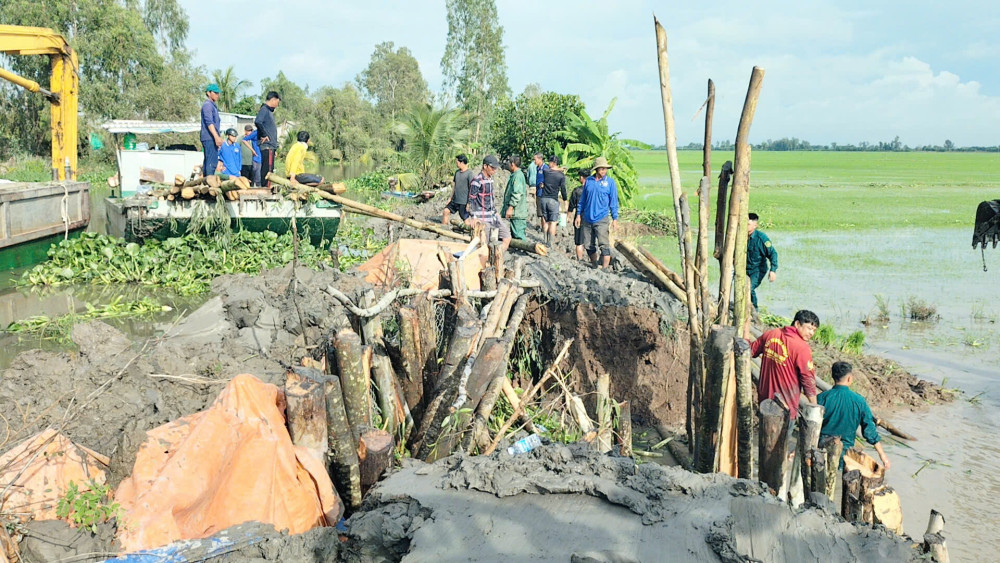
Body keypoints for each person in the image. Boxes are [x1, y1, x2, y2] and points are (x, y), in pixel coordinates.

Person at [818, 361, 890, 470]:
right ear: (849, 378)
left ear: (833, 377)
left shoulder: (821, 398)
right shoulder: (859, 401)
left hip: (820, 451)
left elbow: (810, 426)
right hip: (845, 454)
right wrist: (883, 456)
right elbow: (869, 431)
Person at [749, 309, 819, 420]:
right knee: (782, 437)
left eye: (814, 330)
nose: (811, 333)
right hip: (786, 406)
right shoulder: (802, 348)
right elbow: (808, 380)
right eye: (809, 328)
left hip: (764, 401)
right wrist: (814, 406)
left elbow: (751, 350)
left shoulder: (771, 334)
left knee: (764, 434)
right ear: (797, 324)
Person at [574, 156, 619, 268]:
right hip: (587, 218)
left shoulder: (610, 183)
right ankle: (594, 265)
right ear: (596, 169)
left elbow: (613, 202)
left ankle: (604, 269)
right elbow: (582, 200)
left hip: (602, 219)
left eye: (605, 168)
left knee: (604, 246)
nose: (604, 171)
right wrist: (578, 215)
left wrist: (615, 219)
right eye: (601, 168)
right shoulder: (589, 181)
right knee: (588, 245)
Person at [467, 155, 512, 250]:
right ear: (485, 166)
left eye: (495, 168)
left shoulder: (490, 180)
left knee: (507, 237)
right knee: (484, 244)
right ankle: (485, 262)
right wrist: (473, 217)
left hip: (492, 216)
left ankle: (496, 259)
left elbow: (490, 199)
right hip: (482, 218)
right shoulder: (477, 180)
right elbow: (471, 200)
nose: (494, 170)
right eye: (492, 168)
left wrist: (495, 213)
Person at [747, 212, 778, 310]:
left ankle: (754, 311)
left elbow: (773, 253)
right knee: (740, 289)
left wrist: (773, 270)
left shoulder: (761, 238)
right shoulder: (739, 236)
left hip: (757, 270)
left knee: (749, 289)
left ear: (755, 225)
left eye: (748, 224)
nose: (745, 226)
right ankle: (743, 309)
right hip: (743, 269)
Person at [254, 91, 281, 188]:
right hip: (267, 145)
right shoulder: (264, 109)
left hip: (271, 146)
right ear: (273, 100)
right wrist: (264, 134)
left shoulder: (268, 111)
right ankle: (266, 187)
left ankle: (266, 186)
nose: (277, 105)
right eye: (277, 102)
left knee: (269, 167)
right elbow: (258, 121)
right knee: (268, 169)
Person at [540, 155, 567, 247]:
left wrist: (559, 169)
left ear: (552, 163)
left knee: (546, 220)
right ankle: (550, 243)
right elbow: (563, 189)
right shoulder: (561, 176)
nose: (548, 164)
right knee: (553, 222)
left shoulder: (546, 172)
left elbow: (549, 170)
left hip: (544, 199)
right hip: (553, 200)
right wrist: (565, 200)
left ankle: (545, 239)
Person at [501, 155, 528, 241]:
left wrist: (510, 207)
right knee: (515, 235)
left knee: (519, 235)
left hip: (518, 212)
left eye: (509, 163)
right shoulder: (516, 175)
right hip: (516, 213)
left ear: (512, 164)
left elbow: (517, 194)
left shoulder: (518, 176)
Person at [200, 84, 222, 177]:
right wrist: (216, 137)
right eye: (215, 93)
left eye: (218, 93)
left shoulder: (213, 106)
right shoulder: (207, 105)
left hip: (212, 137)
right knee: (211, 163)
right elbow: (209, 123)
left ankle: (206, 183)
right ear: (208, 93)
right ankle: (208, 184)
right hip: (209, 137)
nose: (217, 95)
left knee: (210, 161)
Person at [443, 154, 472, 224]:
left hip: (463, 202)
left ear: (462, 162)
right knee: (446, 211)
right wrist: (450, 198)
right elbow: (454, 186)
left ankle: (469, 231)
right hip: (455, 200)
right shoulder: (457, 173)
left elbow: (472, 189)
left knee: (464, 217)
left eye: (457, 162)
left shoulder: (469, 174)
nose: (456, 164)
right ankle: (444, 228)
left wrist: (469, 203)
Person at [568, 169, 589, 260]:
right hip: (591, 217)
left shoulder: (577, 191)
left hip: (579, 216)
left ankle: (580, 259)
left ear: (581, 177)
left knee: (579, 241)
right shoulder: (593, 190)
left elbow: (571, 205)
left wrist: (568, 216)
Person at [529, 153, 547, 228]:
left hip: (544, 193)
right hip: (538, 192)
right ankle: (543, 228)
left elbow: (549, 179)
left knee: (543, 213)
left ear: (540, 159)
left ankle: (544, 229)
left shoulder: (545, 168)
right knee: (540, 213)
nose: (534, 161)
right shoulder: (537, 168)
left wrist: (544, 184)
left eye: (535, 159)